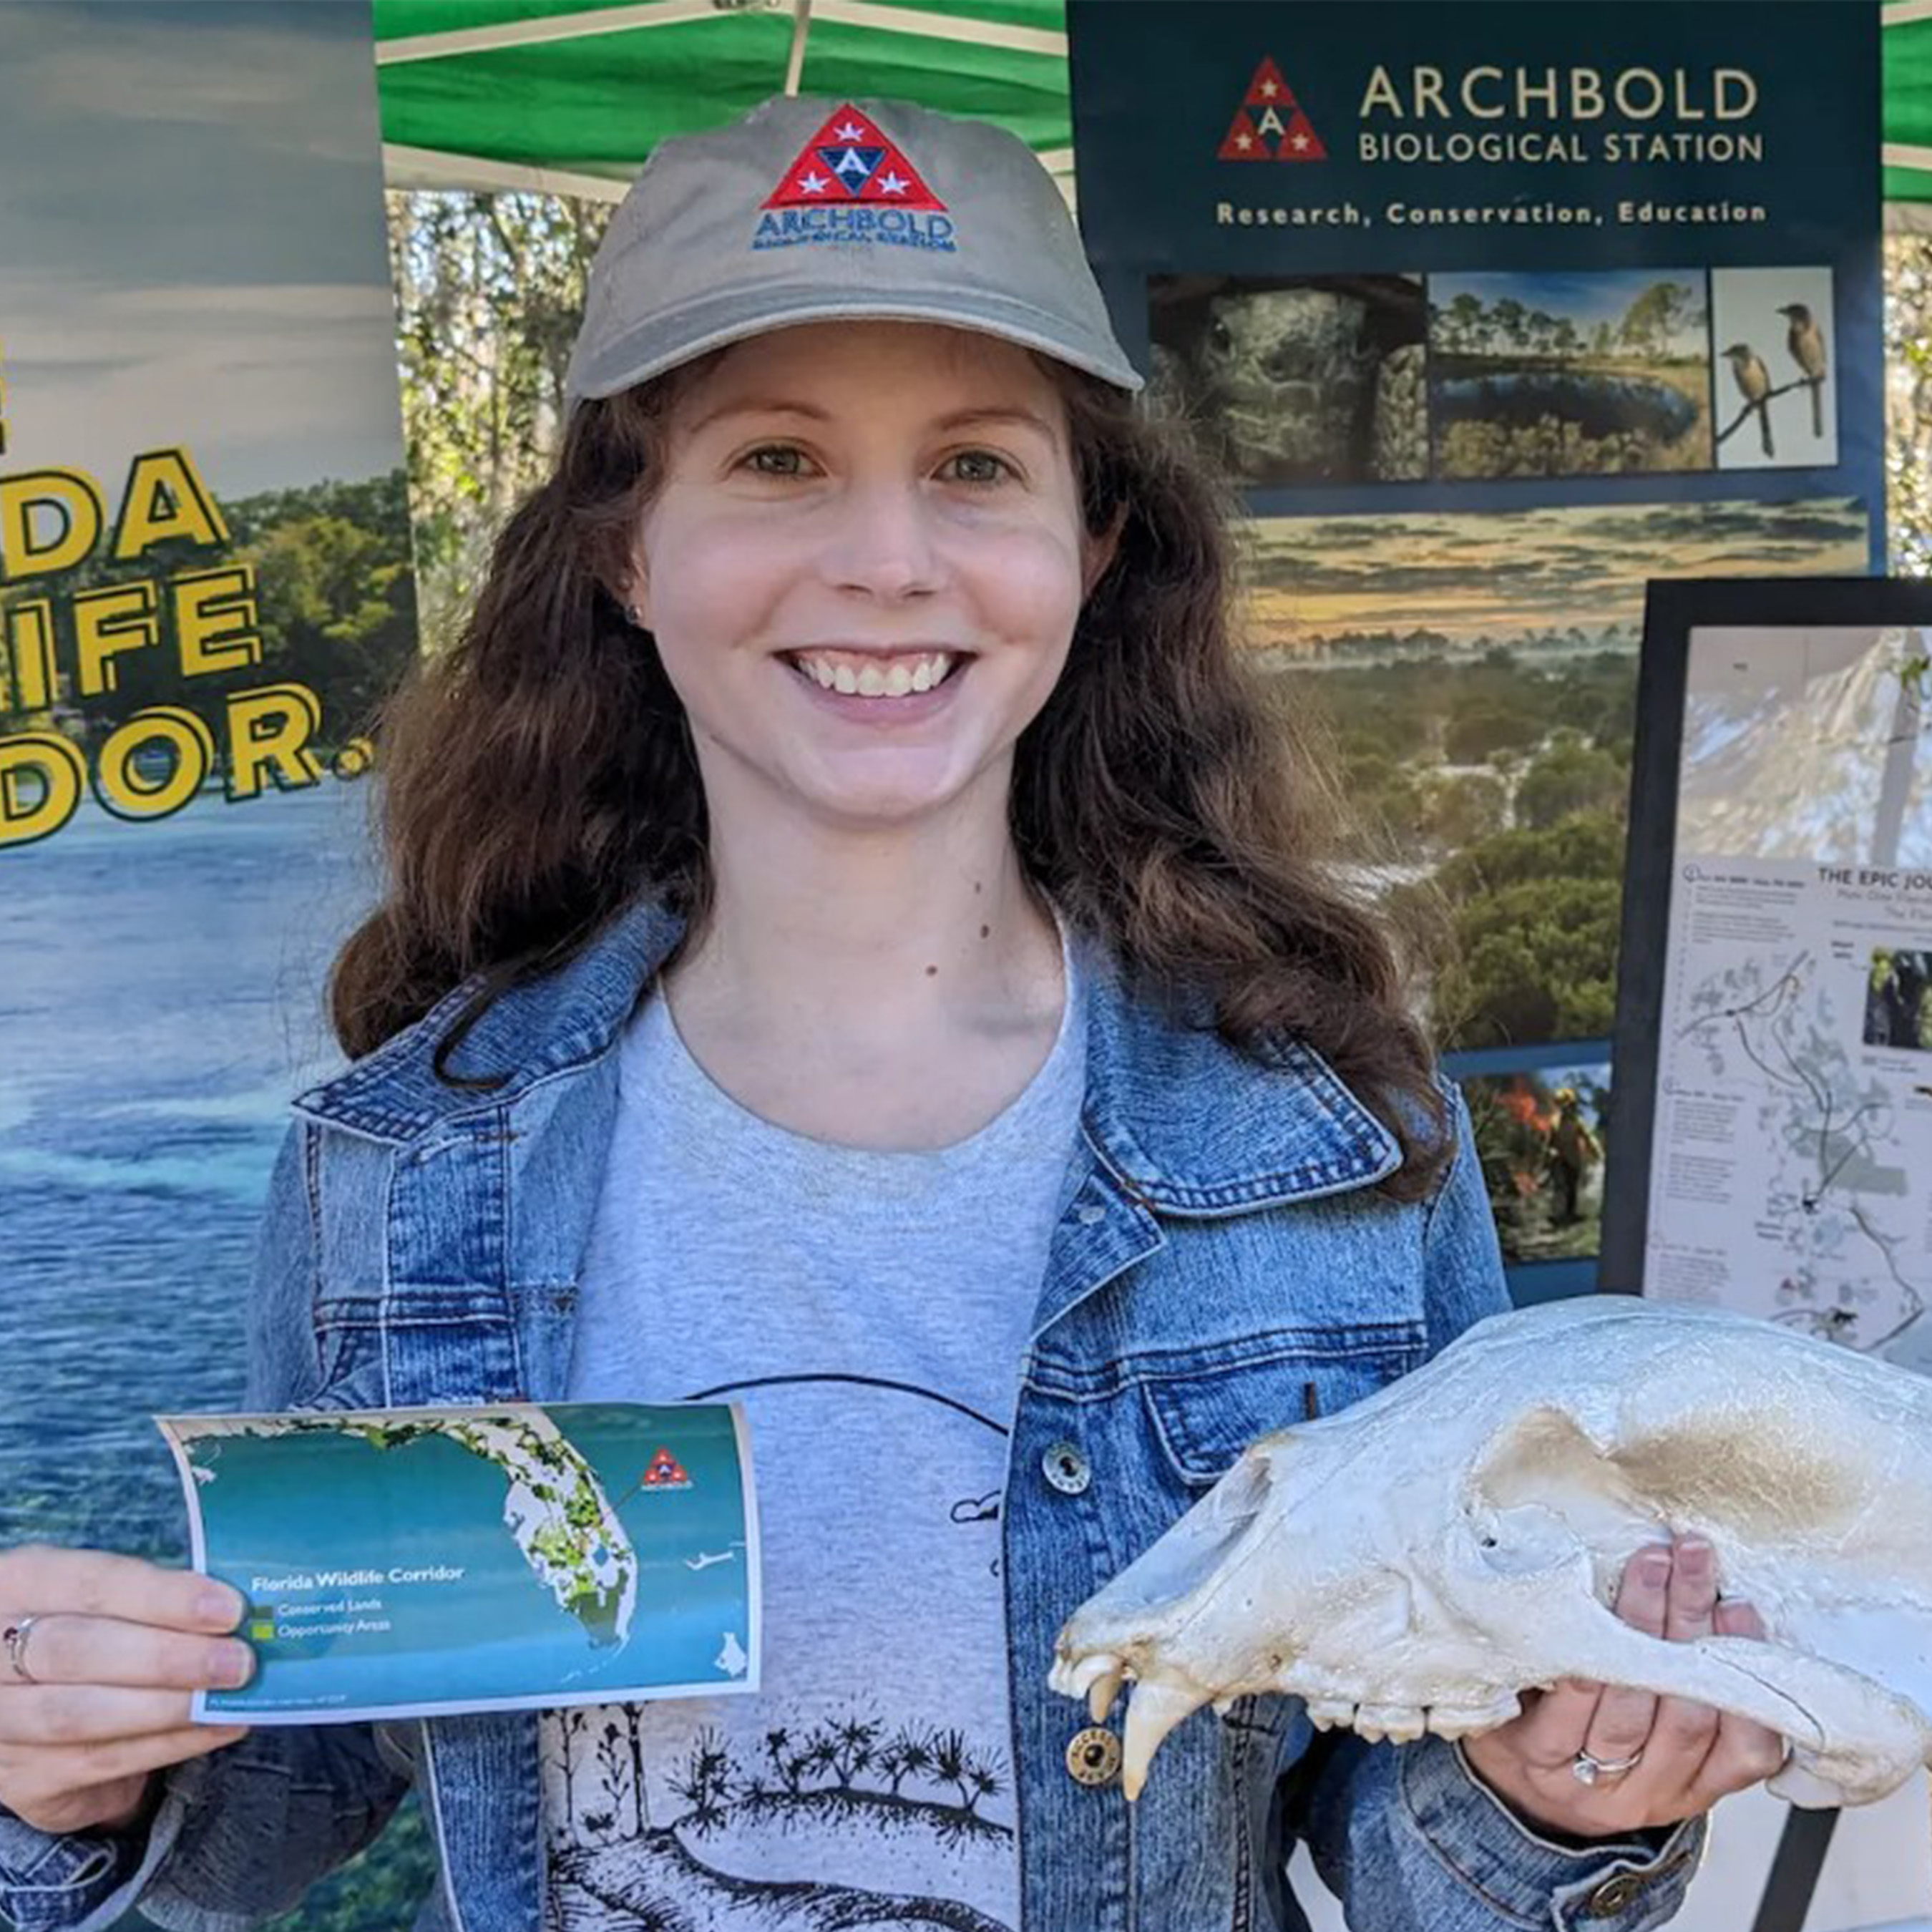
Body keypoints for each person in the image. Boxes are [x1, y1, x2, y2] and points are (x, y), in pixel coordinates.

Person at [0, 94, 1783, 1931]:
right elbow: (284, 1792)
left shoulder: (1325, 1140)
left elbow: (1403, 1819)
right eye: (776, 459)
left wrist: (1557, 1808)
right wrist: (59, 1769)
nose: (887, 559)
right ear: (626, 549)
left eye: (976, 465)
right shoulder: (400, 1158)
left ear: (1094, 550)